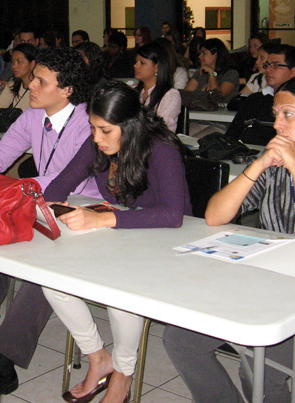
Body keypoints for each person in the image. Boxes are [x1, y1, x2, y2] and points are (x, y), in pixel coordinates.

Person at [163, 75, 295, 403]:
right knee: (180, 340)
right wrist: (262, 163)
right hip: (269, 284)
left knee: (261, 364)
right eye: (276, 114)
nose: (277, 123)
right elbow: (215, 216)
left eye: (288, 114)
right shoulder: (274, 167)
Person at [0, 46, 100, 399]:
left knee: (43, 273)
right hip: (35, 202)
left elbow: (69, 181)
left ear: (67, 91)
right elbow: (0, 156)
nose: (30, 85)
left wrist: (11, 190)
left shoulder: (87, 122)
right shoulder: (33, 115)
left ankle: (6, 361)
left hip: (81, 212)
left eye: (40, 81)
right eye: (33, 78)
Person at [42, 82, 191, 403]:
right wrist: (48, 209)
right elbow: (60, 184)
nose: (97, 138)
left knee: (121, 293)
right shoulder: (100, 142)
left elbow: (173, 215)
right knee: (51, 279)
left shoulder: (161, 147)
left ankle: (122, 374)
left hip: (168, 241)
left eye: (105, 130)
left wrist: (103, 219)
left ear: (130, 125)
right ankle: (98, 358)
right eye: (93, 128)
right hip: (125, 234)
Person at [226, 43, 295, 145]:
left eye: (275, 65)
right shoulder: (255, 99)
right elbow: (231, 135)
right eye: (267, 65)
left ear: (293, 72)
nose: (268, 70)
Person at [134, 42, 181, 132]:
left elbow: (160, 130)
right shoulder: (134, 90)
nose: (135, 66)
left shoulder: (170, 95)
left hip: (158, 143)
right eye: (136, 62)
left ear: (157, 67)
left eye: (142, 63)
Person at [184, 38, 240, 102]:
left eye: (204, 53)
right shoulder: (200, 73)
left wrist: (211, 73)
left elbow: (217, 97)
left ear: (215, 54)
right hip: (199, 110)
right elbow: (186, 94)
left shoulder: (231, 74)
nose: (200, 56)